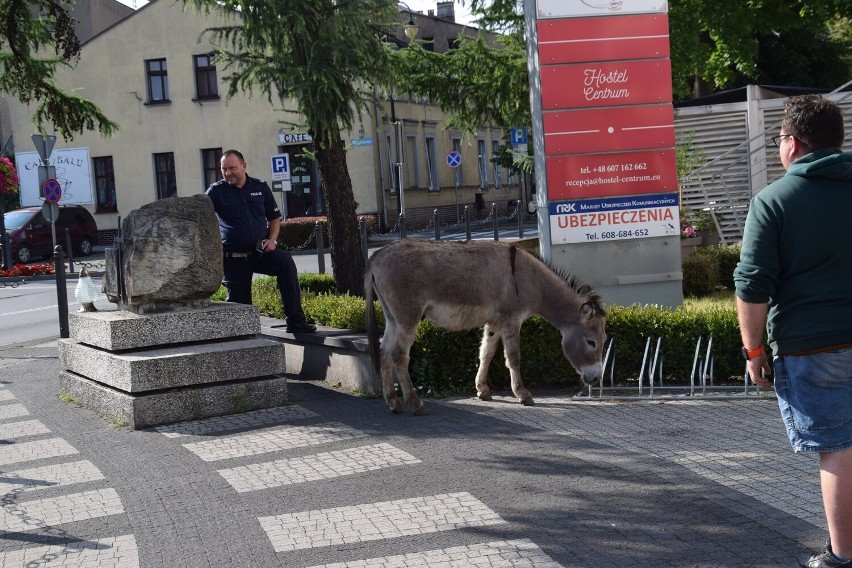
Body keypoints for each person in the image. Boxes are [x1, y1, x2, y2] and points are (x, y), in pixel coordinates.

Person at [734, 94, 852, 568]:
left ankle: (842, 556)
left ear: (792, 143)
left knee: (838, 450)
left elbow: (753, 284)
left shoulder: (773, 201)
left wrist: (754, 349)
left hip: (813, 347)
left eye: (780, 138)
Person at [206, 149, 316, 334]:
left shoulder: (260, 187)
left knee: (285, 262)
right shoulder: (216, 191)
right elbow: (202, 219)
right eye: (224, 169)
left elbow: (274, 218)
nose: (228, 173)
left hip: (260, 252)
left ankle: (296, 321)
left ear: (243, 166)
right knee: (241, 313)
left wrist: (272, 240)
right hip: (234, 259)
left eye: (232, 168)